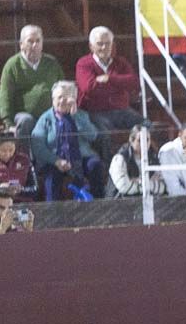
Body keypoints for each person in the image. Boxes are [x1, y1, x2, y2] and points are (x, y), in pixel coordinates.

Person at [75, 26, 144, 157]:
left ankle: (142, 165)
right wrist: (119, 84)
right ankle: (109, 172)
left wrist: (109, 79)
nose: (104, 47)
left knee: (147, 126)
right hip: (95, 112)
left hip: (121, 110)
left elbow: (134, 82)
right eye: (100, 44)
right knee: (105, 135)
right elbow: (88, 87)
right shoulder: (84, 63)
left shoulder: (120, 62)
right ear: (91, 46)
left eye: (108, 44)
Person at [30, 80, 103, 199]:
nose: (62, 101)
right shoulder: (45, 119)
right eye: (59, 97)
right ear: (53, 99)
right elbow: (37, 146)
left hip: (80, 157)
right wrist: (56, 160)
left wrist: (75, 117)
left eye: (67, 97)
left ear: (74, 99)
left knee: (94, 165)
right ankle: (53, 212)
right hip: (54, 159)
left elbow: (92, 135)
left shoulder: (81, 115)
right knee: (52, 176)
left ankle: (99, 206)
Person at [0, 25, 63, 145]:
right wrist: (9, 123)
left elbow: (62, 88)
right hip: (23, 115)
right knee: (25, 120)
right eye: (30, 41)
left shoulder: (52, 63)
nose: (35, 45)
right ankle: (25, 161)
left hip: (49, 114)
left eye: (38, 41)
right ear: (21, 44)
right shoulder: (12, 65)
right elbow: (5, 96)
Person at [108, 125, 166, 197]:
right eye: (140, 140)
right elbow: (124, 187)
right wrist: (151, 184)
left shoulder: (154, 159)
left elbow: (163, 187)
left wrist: (139, 182)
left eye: (147, 140)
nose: (144, 144)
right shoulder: (120, 159)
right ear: (131, 140)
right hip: (119, 204)